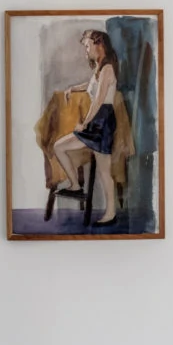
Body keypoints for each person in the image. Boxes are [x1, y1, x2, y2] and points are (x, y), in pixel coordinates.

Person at [53, 29, 118, 226]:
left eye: (88, 46)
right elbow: (91, 86)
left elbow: (98, 101)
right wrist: (73, 88)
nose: (86, 51)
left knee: (104, 171)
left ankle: (111, 213)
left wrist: (85, 124)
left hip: (103, 122)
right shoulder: (99, 68)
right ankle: (75, 185)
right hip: (97, 121)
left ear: (100, 45)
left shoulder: (107, 69)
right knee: (59, 147)